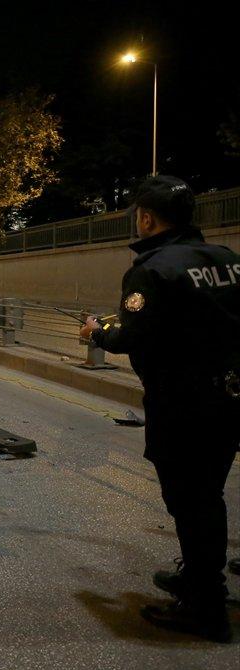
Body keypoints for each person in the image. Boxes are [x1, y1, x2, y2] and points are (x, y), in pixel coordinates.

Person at [81, 175, 240, 642]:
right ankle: (197, 576)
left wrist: (96, 332)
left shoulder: (153, 269)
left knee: (190, 499)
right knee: (207, 492)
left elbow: (131, 336)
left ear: (147, 219)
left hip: (183, 403)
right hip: (229, 399)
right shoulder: (228, 260)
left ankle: (205, 606)